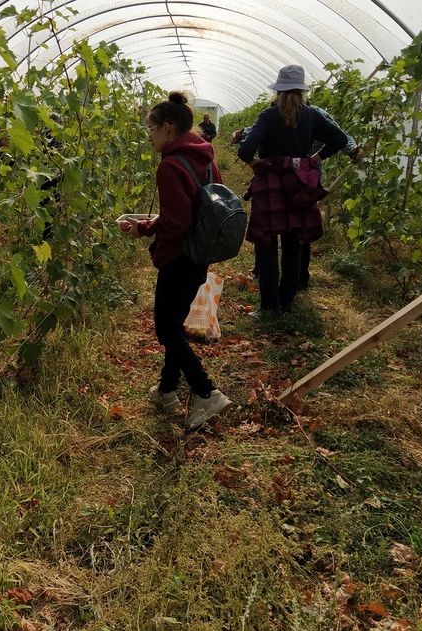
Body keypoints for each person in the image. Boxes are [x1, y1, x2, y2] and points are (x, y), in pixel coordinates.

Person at [119, 92, 232, 430]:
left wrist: (143, 228)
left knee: (166, 328)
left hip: (179, 257)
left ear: (167, 129)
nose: (148, 135)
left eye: (151, 129)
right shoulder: (206, 159)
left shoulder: (170, 165)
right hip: (199, 255)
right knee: (175, 325)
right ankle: (167, 390)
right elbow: (216, 201)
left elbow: (177, 221)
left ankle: (206, 391)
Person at [236, 65, 351, 314]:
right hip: (299, 183)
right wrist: (317, 157)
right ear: (302, 91)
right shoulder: (312, 116)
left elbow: (245, 149)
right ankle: (287, 301)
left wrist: (254, 163)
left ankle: (269, 306)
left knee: (266, 244)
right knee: (293, 242)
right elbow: (340, 139)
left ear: (278, 91)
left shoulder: (267, 116)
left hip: (270, 187)